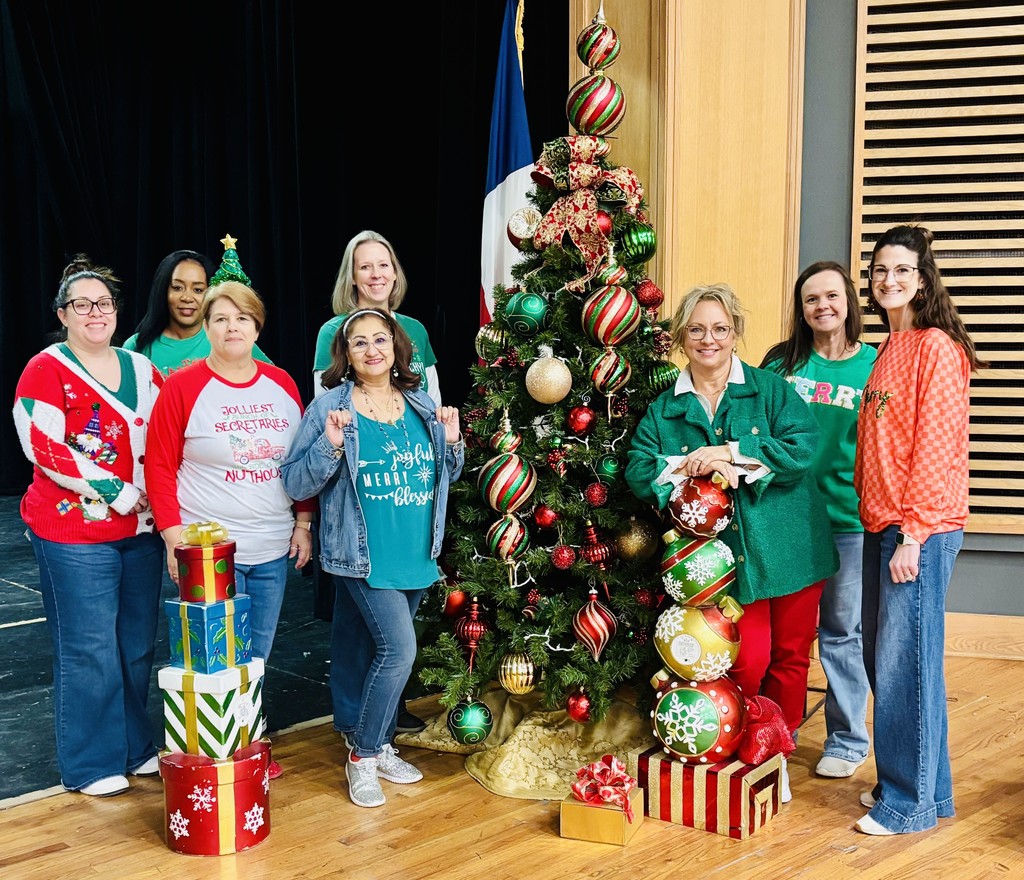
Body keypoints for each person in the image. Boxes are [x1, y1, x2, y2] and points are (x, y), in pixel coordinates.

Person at [626, 282, 839, 803]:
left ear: (736, 334)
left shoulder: (770, 390)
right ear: (681, 337)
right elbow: (637, 468)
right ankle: (740, 742)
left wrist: (733, 451)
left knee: (790, 657)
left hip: (791, 548)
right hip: (722, 565)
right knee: (746, 659)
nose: (709, 339)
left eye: (720, 329)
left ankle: (775, 756)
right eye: (697, 329)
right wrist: (692, 464)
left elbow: (803, 446)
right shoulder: (665, 409)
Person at [281, 307, 463, 809]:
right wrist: (331, 447)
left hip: (416, 552)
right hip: (361, 557)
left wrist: (452, 444)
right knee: (399, 653)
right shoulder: (330, 409)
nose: (371, 350)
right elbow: (295, 480)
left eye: (379, 339)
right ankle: (362, 758)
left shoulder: (423, 404)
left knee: (388, 655)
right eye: (358, 342)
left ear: (397, 347)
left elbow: (445, 475)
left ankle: (379, 744)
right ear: (346, 354)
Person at [144, 280, 316, 780]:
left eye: (241, 318)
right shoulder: (183, 386)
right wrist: (174, 538)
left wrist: (303, 522)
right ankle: (209, 754)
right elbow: (158, 465)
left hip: (270, 545)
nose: (231, 327)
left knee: (256, 656)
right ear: (206, 327)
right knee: (211, 660)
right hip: (208, 551)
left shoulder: (281, 382)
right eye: (220, 319)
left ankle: (248, 748)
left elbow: (300, 461)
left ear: (256, 325)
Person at [13, 254, 165, 797]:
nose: (95, 312)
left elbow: (166, 434)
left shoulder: (142, 367)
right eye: (83, 304)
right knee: (88, 647)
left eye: (103, 303)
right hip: (73, 533)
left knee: (134, 645)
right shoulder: (45, 368)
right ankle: (90, 762)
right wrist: (118, 491)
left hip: (141, 533)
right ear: (64, 313)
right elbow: (42, 444)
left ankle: (134, 746)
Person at [853, 225, 982, 836]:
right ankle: (928, 790)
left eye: (902, 270)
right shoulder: (888, 348)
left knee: (906, 666)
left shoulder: (936, 347)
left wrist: (914, 533)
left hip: (918, 531)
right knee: (893, 661)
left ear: (923, 281)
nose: (889, 280)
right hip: (884, 524)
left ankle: (908, 805)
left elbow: (933, 448)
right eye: (880, 270)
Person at [312, 230, 441, 734]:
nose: (376, 274)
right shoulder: (332, 331)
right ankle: (358, 728)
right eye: (364, 266)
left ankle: (380, 718)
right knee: (355, 628)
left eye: (383, 264)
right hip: (355, 499)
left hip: (406, 496)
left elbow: (428, 399)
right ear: (353, 276)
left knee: (389, 632)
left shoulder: (414, 329)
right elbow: (323, 405)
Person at [760, 262, 877, 780]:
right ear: (800, 309)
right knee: (784, 638)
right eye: (811, 299)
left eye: (831, 296)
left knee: (840, 632)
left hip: (849, 521)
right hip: (786, 521)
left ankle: (848, 740)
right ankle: (771, 731)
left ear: (849, 300)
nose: (822, 306)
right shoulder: (782, 364)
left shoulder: (876, 365)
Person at [123, 249, 271, 375]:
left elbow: (272, 384)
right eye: (177, 288)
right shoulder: (136, 346)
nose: (187, 298)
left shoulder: (228, 336)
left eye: (198, 290)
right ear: (163, 291)